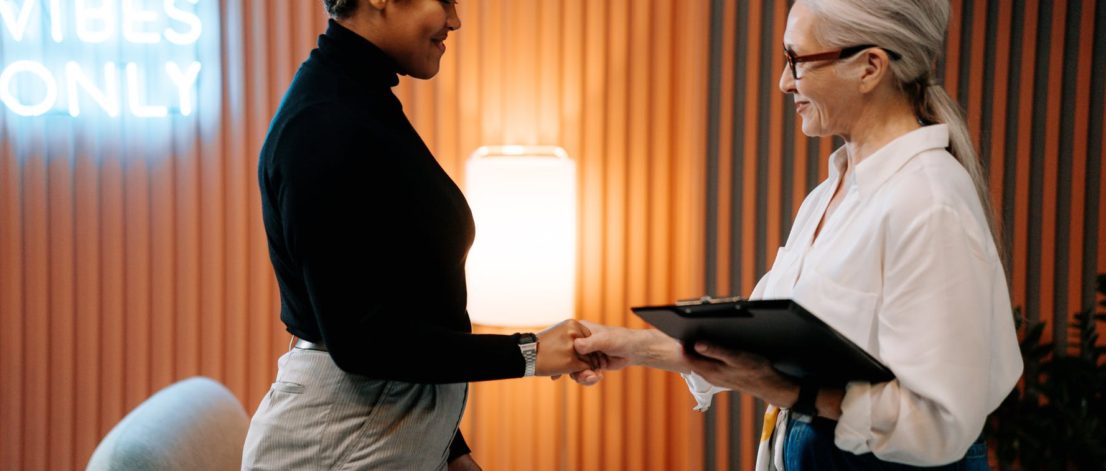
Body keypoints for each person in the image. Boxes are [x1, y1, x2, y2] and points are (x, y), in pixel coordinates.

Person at [571, 0, 1023, 469]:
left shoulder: (928, 203)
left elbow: (940, 425)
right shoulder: (831, 193)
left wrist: (785, 390)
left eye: (797, 61)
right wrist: (634, 345)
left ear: (870, 67)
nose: (785, 82)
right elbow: (761, 346)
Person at [242, 1, 597, 470]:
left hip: (373, 424)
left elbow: (406, 303)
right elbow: (360, 339)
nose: (455, 20)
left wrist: (450, 449)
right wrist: (528, 353)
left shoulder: (358, 101)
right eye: (444, 0)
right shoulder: (323, 122)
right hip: (338, 440)